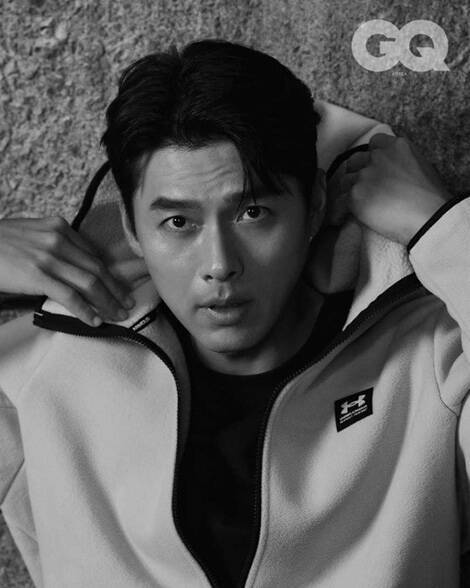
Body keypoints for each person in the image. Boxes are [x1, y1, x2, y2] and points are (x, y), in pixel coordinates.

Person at [0, 38, 469, 588]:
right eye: (179, 223)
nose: (219, 265)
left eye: (253, 212)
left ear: (314, 205)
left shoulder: (431, 357)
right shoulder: (51, 367)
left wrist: (441, 226)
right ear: (131, 227)